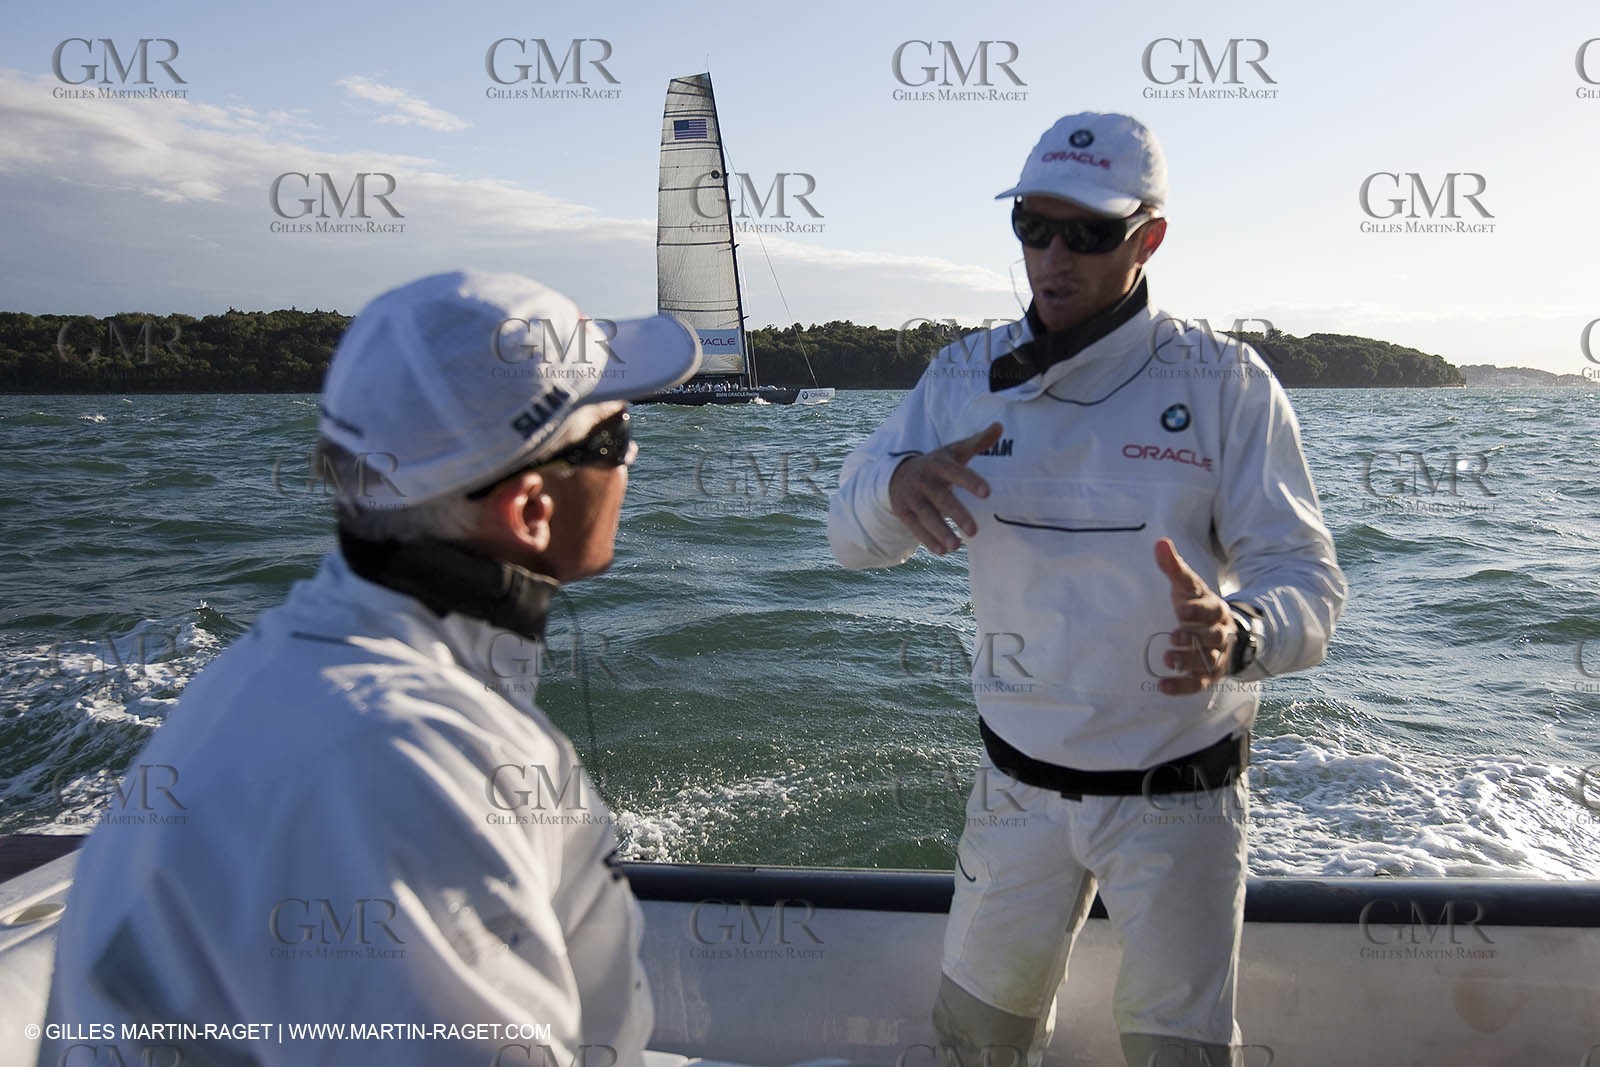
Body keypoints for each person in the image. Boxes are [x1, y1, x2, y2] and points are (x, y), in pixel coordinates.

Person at [37, 270, 701, 1066]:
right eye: (616, 438)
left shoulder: (300, 669)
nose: (630, 463)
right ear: (531, 510)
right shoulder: (403, 759)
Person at [827, 114, 1346, 1066]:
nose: (1053, 257)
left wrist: (1238, 633)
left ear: (1148, 239)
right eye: (1034, 226)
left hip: (1179, 802)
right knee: (978, 1041)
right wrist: (896, 489)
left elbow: (1307, 579)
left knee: (1176, 1054)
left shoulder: (1227, 382)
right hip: (1014, 790)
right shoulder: (959, 374)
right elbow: (846, 533)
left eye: (1089, 233)